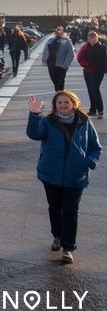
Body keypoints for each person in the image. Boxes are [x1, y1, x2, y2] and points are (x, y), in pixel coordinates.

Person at [27, 91, 101, 264]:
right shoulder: (47, 122)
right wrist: (34, 114)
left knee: (70, 210)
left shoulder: (84, 122)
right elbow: (34, 134)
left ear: (74, 104)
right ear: (55, 105)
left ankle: (68, 247)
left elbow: (96, 148)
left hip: (76, 175)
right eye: (59, 103)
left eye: (66, 102)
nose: (62, 105)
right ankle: (57, 236)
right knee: (54, 207)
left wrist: (89, 162)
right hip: (51, 174)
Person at [76, 31, 106, 118]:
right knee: (90, 90)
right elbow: (79, 57)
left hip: (98, 72)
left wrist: (103, 69)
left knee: (95, 90)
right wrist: (86, 64)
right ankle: (93, 110)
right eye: (89, 38)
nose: (91, 40)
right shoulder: (86, 47)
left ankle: (100, 111)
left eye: (93, 38)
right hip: (88, 71)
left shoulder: (102, 48)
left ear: (96, 38)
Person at [42, 26, 75, 91]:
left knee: (59, 81)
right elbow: (46, 51)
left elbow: (71, 53)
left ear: (62, 32)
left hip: (61, 65)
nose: (58, 33)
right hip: (51, 64)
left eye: (59, 31)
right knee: (55, 81)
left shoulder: (67, 41)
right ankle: (59, 94)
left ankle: (58, 95)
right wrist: (45, 60)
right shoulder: (50, 41)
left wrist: (65, 64)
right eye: (56, 31)